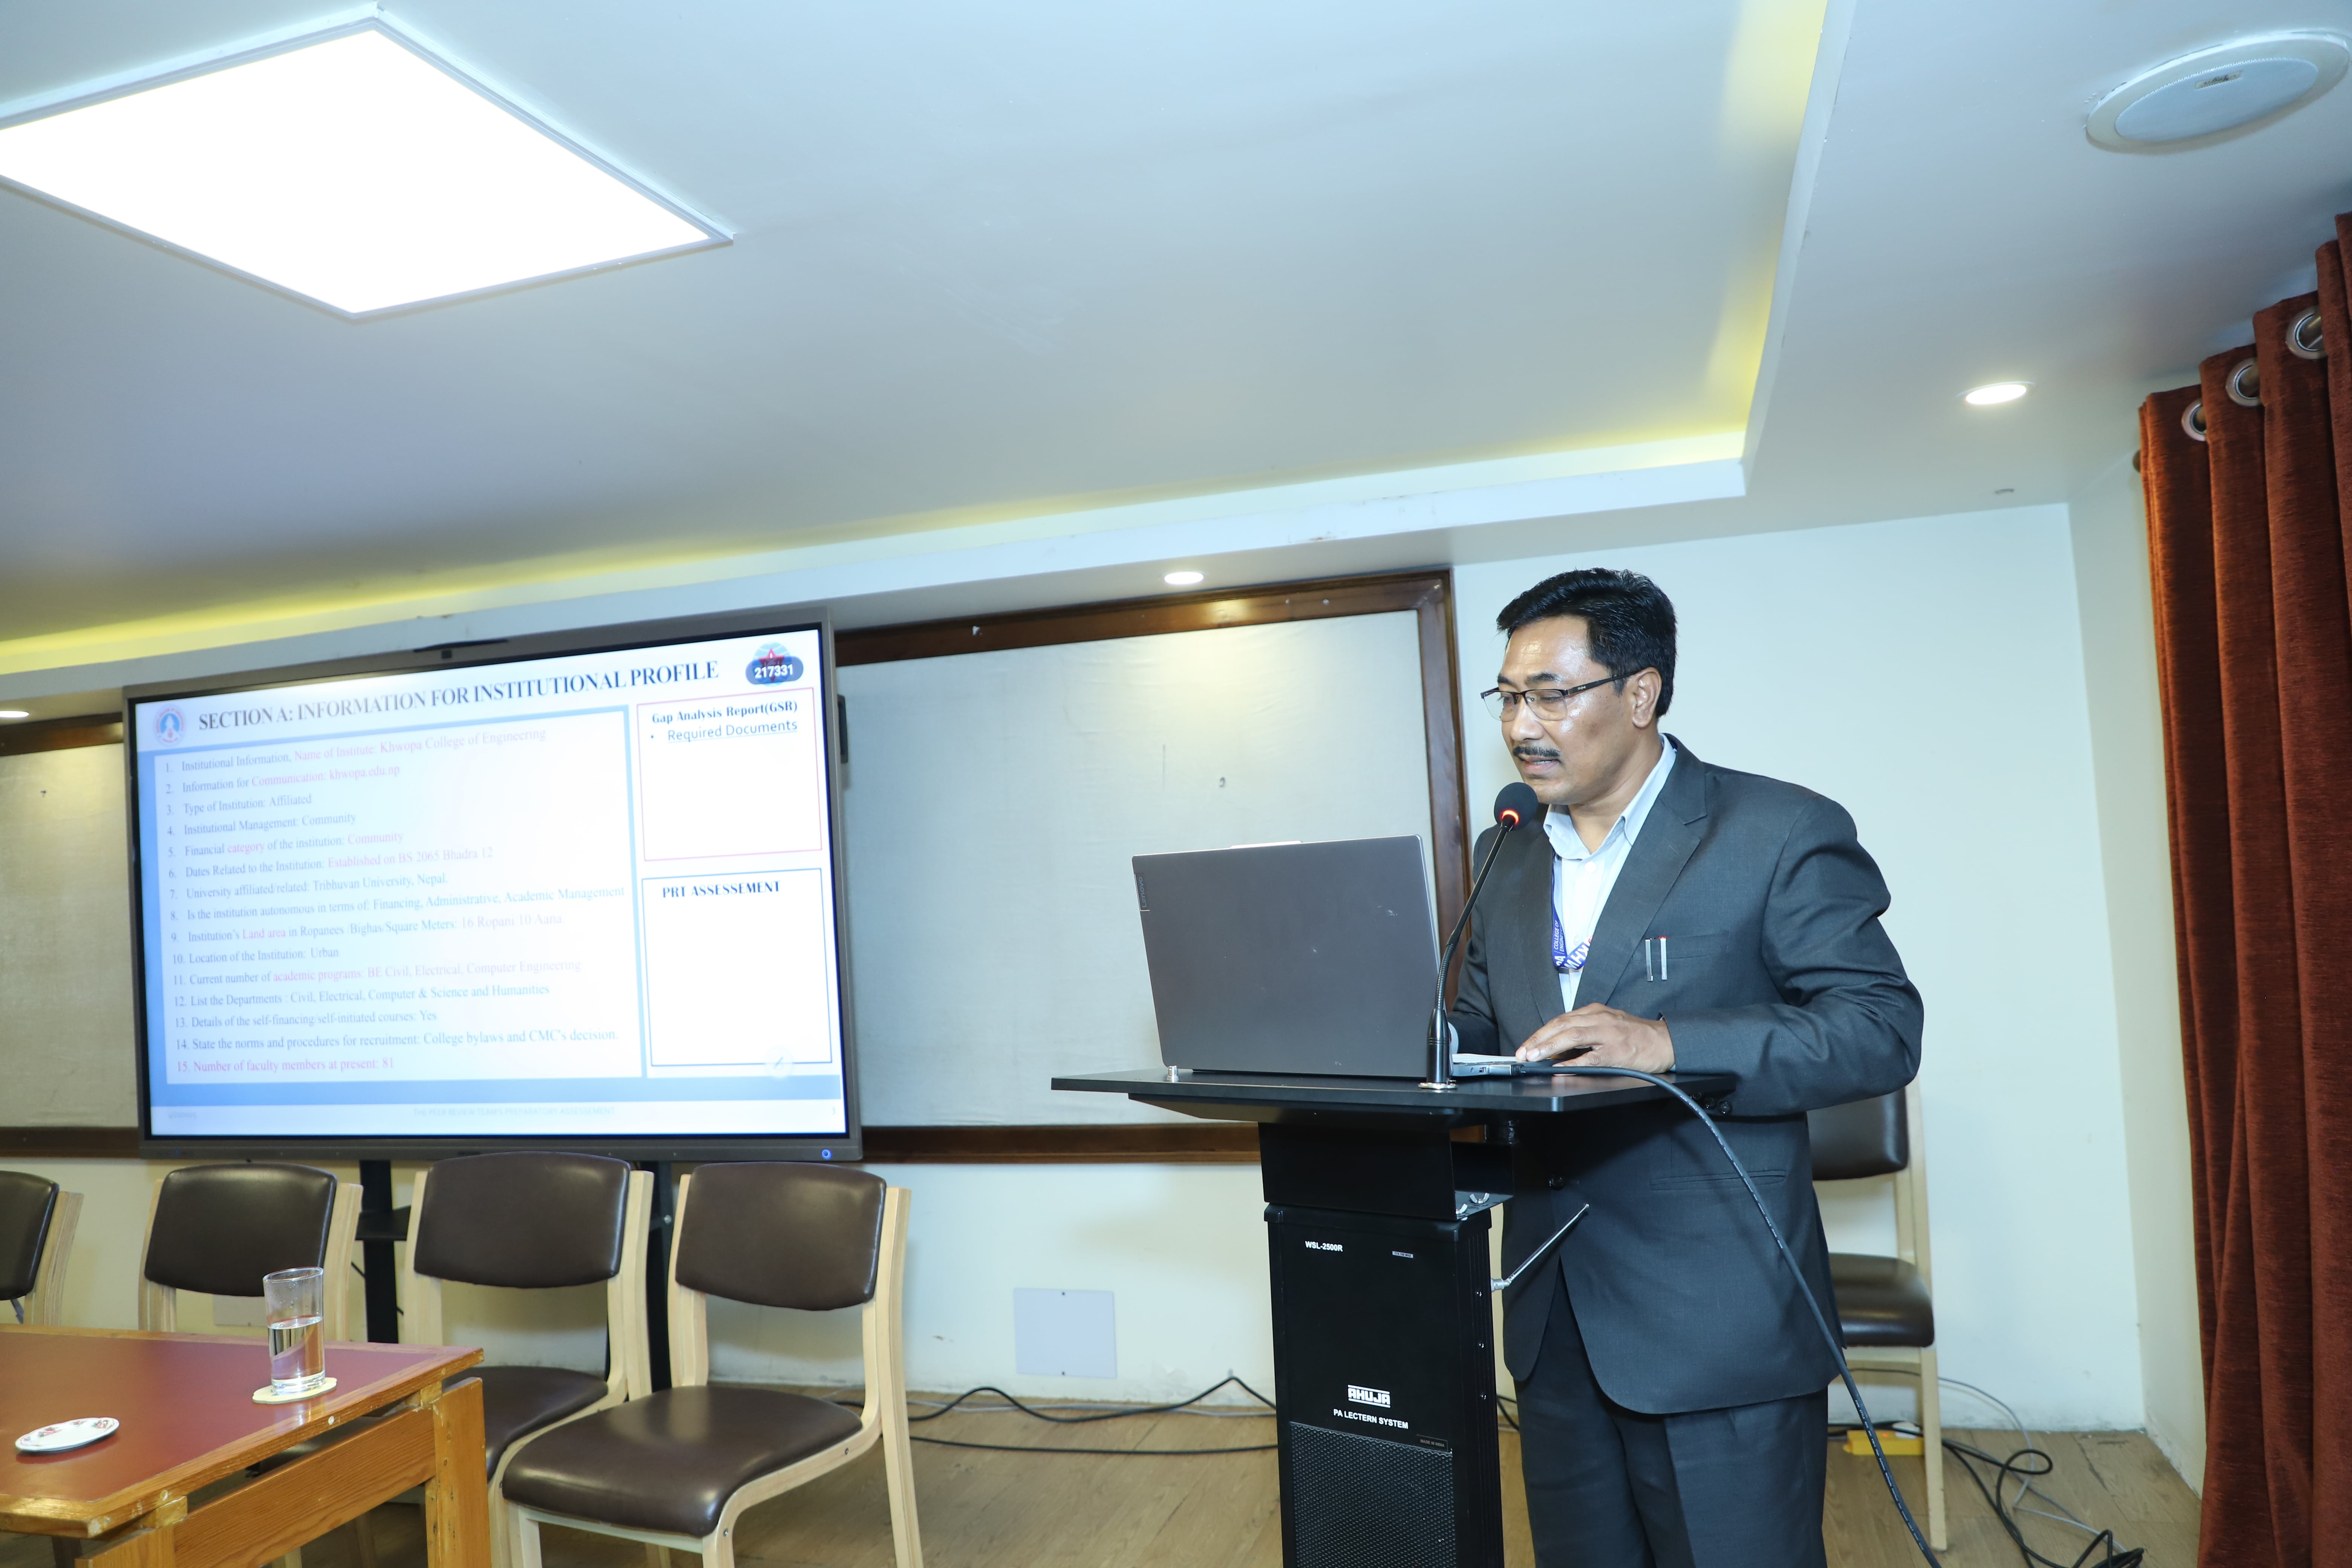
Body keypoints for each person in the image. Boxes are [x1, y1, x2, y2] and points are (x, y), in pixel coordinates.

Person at [1445, 568, 1923, 1568]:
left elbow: (1879, 1028)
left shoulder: (1776, 831)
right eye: (1508, 697)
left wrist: (1667, 1043)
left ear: (1640, 693)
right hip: (1552, 1316)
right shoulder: (1508, 850)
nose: (1522, 725)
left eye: (1550, 695)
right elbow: (1484, 1035)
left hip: (1718, 1319)